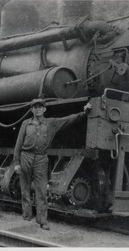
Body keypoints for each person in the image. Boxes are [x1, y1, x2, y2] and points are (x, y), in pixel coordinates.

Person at [13, 98, 92, 230]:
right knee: (25, 189)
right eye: (35, 107)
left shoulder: (51, 123)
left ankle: (42, 220)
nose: (37, 109)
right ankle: (27, 216)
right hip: (25, 156)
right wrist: (16, 163)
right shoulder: (26, 124)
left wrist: (83, 113)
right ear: (32, 110)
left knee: (42, 191)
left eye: (40, 107)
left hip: (41, 159)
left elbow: (67, 120)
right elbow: (18, 144)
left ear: (44, 109)